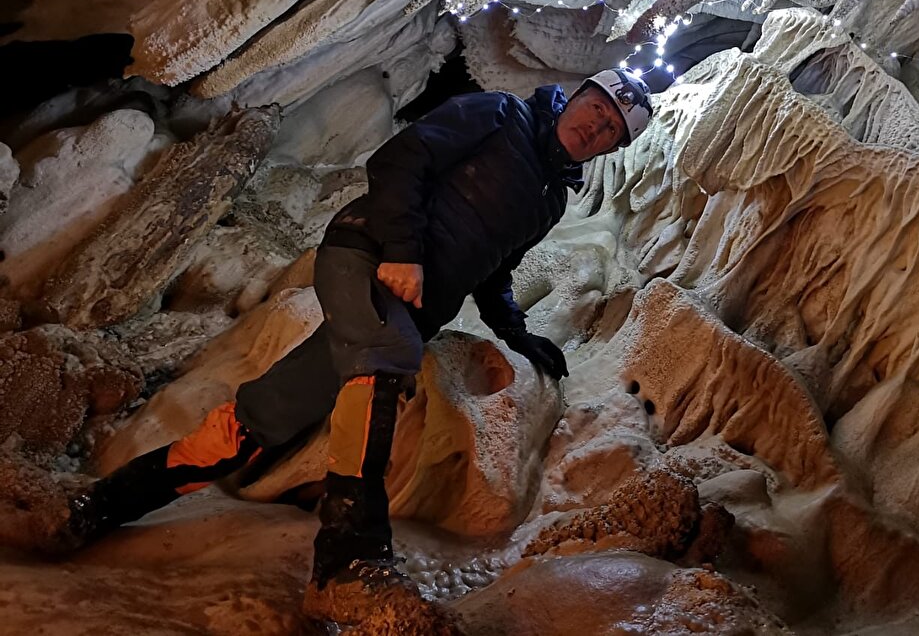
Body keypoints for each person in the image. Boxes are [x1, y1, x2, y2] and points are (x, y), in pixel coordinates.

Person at [42, 68, 654, 626]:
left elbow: (494, 272)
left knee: (262, 420)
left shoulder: (550, 198)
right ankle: (347, 562)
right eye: (597, 108)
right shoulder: (499, 115)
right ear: (577, 94)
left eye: (610, 131)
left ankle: (97, 508)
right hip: (364, 258)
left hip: (406, 307)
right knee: (388, 357)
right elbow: (400, 160)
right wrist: (403, 251)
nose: (595, 127)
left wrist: (520, 335)